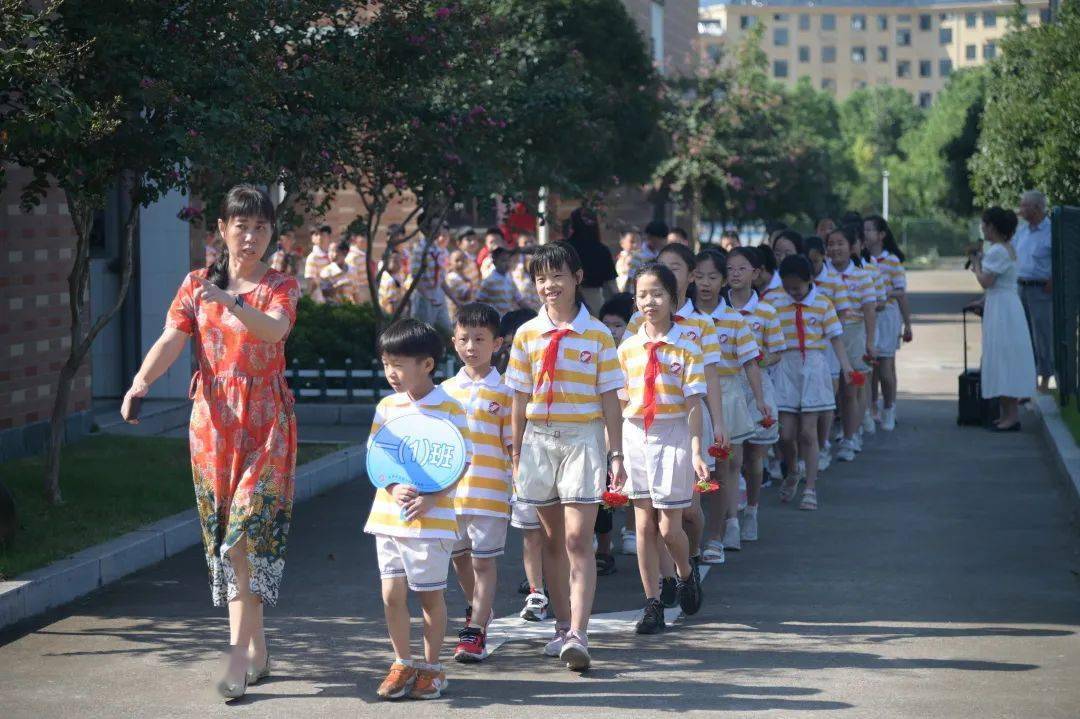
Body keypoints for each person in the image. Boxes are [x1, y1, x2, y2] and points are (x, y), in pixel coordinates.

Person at [121, 185, 300, 700]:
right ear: (220, 229)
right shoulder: (195, 283)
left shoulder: (279, 286)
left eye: (262, 226)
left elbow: (273, 332)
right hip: (213, 423)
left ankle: (237, 660)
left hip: (267, 422)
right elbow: (172, 338)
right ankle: (258, 650)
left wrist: (231, 301)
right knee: (228, 539)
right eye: (241, 225)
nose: (251, 236)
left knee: (243, 535)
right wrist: (140, 383)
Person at [505, 241, 626, 671]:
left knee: (578, 539)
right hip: (538, 439)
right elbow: (519, 397)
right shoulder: (525, 335)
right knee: (552, 541)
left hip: (584, 438)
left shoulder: (597, 334)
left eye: (557, 276)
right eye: (541, 279)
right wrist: (516, 451)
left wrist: (616, 454)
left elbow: (611, 397)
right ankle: (560, 628)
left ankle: (579, 632)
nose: (549, 286)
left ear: (577, 278)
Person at [366, 319, 471, 700]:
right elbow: (375, 456)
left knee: (429, 596)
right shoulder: (386, 406)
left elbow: (461, 460)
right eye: (386, 363)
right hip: (388, 517)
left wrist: (432, 497)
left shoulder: (450, 407)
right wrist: (393, 486)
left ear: (426, 365)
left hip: (433, 519)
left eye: (399, 364)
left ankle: (431, 668)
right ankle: (402, 662)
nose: (391, 373)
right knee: (391, 593)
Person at [626, 243, 728, 569]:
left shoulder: (701, 325)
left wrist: (719, 422)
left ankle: (692, 554)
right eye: (661, 265)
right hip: (644, 425)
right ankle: (664, 582)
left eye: (675, 267)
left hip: (689, 418)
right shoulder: (635, 323)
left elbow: (709, 377)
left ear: (688, 277)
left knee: (688, 511)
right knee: (652, 515)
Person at [618, 262, 707, 634]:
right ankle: (652, 601)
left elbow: (693, 404)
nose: (649, 302)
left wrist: (698, 449)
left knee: (670, 527)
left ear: (674, 298)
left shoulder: (687, 347)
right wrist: (617, 455)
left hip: (673, 434)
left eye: (657, 294)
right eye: (642, 295)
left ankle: (685, 574)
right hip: (636, 433)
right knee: (643, 525)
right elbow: (620, 404)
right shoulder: (626, 349)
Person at [441, 304, 513, 663]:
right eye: (464, 339)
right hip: (450, 495)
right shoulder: (444, 390)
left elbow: (512, 444)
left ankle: (476, 629)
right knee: (459, 561)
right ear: (454, 342)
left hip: (490, 493)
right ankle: (478, 609)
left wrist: (518, 485)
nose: (472, 346)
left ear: (497, 343)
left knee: (484, 563)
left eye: (480, 339)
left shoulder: (507, 391)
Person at [693, 248, 767, 554]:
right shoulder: (682, 319)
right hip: (693, 395)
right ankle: (695, 534)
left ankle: (720, 533)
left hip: (727, 395)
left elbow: (750, 363)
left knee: (723, 467)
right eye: (699, 276)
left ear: (723, 280)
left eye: (712, 276)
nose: (705, 283)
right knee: (697, 470)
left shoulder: (735, 320)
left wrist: (761, 401)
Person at [772, 255, 853, 511]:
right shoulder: (774, 303)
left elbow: (836, 338)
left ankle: (810, 488)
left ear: (810, 281)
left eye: (797, 287)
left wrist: (846, 367)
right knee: (784, 433)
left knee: (808, 432)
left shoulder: (823, 303)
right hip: (785, 365)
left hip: (815, 367)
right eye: (788, 287)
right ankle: (793, 469)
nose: (793, 293)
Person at [724, 247, 786, 542]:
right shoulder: (718, 310)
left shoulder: (767, 311)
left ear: (756, 273)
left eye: (741, 268)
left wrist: (754, 361)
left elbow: (777, 352)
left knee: (754, 458)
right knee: (732, 458)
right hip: (727, 387)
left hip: (756, 387)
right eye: (730, 269)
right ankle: (732, 520)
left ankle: (752, 510)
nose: (735, 274)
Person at [494, 307, 549, 621]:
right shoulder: (500, 381)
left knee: (557, 530)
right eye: (514, 342)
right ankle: (537, 591)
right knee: (530, 530)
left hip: (555, 449)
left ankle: (559, 582)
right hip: (522, 460)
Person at [971, 207, 1036, 430]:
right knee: (1004, 356)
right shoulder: (1007, 248)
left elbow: (986, 281)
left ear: (993, 227)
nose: (983, 228)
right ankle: (1008, 413)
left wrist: (976, 265)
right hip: (1005, 305)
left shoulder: (998, 250)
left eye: (985, 224)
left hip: (1002, 311)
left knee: (1003, 356)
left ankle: (1011, 415)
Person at [826, 226, 877, 461]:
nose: (835, 248)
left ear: (851, 247)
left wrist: (869, 341)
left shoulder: (862, 276)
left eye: (840, 243)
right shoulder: (820, 276)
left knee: (850, 390)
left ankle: (850, 437)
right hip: (826, 337)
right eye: (831, 244)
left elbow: (869, 311)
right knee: (828, 393)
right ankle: (823, 442)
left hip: (853, 335)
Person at [804, 235, 852, 471]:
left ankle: (822, 445)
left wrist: (826, 332)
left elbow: (843, 313)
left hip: (828, 350)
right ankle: (810, 450)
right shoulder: (792, 285)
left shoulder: (834, 281)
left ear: (823, 256)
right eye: (808, 261)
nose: (812, 265)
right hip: (803, 354)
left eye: (815, 260)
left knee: (825, 402)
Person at [863, 215, 912, 431]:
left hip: (888, 316)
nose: (865, 234)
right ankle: (872, 407)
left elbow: (901, 292)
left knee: (885, 369)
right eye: (863, 230)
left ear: (881, 235)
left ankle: (889, 408)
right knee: (870, 368)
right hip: (870, 315)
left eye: (869, 230)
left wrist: (908, 324)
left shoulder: (891, 260)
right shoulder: (862, 261)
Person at [596, 293, 634, 569]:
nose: (612, 331)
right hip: (597, 429)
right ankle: (602, 548)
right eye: (606, 324)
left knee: (630, 485)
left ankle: (629, 530)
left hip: (629, 427)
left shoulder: (634, 351)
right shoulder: (596, 350)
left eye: (618, 325)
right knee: (601, 488)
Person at [1014, 190, 1053, 393]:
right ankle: (1029, 381)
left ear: (1036, 208)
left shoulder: (1051, 230)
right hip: (1021, 288)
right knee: (1024, 335)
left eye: (1024, 206)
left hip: (1041, 290)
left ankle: (1046, 380)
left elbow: (1063, 260)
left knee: (1043, 335)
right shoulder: (1022, 231)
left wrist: (1053, 280)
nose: (1020, 210)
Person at [565, 206, 618, 312]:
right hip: (594, 299)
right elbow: (611, 283)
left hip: (566, 298)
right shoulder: (602, 250)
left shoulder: (565, 248)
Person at [409, 226, 453, 334]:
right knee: (424, 334)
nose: (438, 231)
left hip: (439, 296)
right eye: (434, 226)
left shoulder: (439, 250)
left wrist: (456, 301)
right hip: (424, 297)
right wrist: (429, 297)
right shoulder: (419, 250)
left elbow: (441, 279)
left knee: (447, 331)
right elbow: (416, 278)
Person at [476, 247, 527, 317]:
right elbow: (479, 301)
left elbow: (519, 300)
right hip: (494, 321)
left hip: (507, 320)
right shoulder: (488, 281)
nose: (506, 263)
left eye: (508, 260)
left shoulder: (509, 280)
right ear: (494, 262)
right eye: (503, 261)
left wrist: (532, 313)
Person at [628, 220, 669, 289]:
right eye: (659, 238)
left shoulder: (662, 254)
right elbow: (632, 278)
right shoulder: (638, 256)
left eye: (663, 239)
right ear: (650, 237)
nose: (662, 242)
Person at [319, 240, 360, 304]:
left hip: (348, 309)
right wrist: (339, 285)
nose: (331, 254)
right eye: (329, 251)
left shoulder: (353, 271)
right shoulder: (326, 272)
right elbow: (325, 294)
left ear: (345, 253)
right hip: (332, 310)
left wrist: (358, 309)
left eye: (334, 251)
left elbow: (355, 293)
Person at [444, 250, 476, 323]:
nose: (460, 263)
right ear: (450, 262)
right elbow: (466, 296)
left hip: (463, 315)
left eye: (463, 261)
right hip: (456, 315)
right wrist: (470, 285)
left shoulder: (462, 277)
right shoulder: (453, 278)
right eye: (457, 260)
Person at [303, 225, 332, 302]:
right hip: (319, 300)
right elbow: (312, 281)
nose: (320, 237)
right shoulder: (313, 257)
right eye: (316, 234)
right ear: (312, 238)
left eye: (323, 234)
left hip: (333, 298)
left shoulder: (332, 255)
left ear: (329, 237)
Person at [379, 250, 407, 316]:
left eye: (400, 260)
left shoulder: (398, 275)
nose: (399, 264)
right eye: (395, 261)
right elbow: (390, 303)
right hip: (393, 312)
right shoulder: (390, 280)